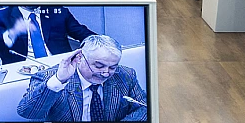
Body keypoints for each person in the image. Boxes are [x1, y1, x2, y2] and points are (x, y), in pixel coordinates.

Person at [17, 35, 148, 122]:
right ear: (80, 58)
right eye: (99, 66)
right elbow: (28, 113)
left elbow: (145, 108)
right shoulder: (50, 77)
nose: (106, 73)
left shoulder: (125, 75)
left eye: (112, 67)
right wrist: (59, 80)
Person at [0, 6, 96, 65]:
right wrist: (13, 32)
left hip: (59, 66)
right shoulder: (1, 15)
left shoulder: (58, 12)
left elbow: (82, 33)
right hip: (23, 68)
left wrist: (102, 42)